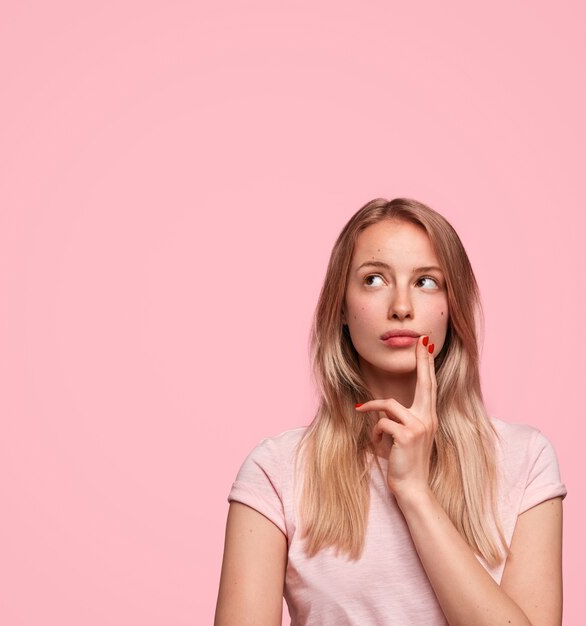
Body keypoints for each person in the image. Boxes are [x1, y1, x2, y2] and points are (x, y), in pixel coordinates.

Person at [214, 197, 567, 626]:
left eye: (426, 282)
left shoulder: (524, 460)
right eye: (375, 279)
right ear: (341, 308)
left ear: (452, 308)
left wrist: (415, 494)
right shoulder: (276, 472)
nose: (401, 306)